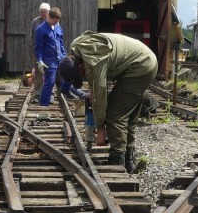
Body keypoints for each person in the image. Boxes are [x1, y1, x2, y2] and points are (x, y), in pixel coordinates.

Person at [59, 31, 158, 172]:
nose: (83, 78)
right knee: (127, 113)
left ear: (80, 66)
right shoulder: (78, 48)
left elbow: (100, 98)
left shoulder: (94, 62)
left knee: (114, 113)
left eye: (81, 75)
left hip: (140, 66)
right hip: (142, 60)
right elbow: (97, 82)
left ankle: (117, 162)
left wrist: (100, 131)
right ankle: (129, 161)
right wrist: (93, 88)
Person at [28, 2, 51, 100]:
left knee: (49, 71)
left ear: (48, 12)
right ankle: (38, 92)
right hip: (38, 50)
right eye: (41, 12)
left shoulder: (53, 21)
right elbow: (32, 35)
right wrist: (35, 47)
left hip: (49, 51)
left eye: (44, 12)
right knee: (37, 72)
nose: (42, 14)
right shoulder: (35, 22)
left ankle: (49, 92)